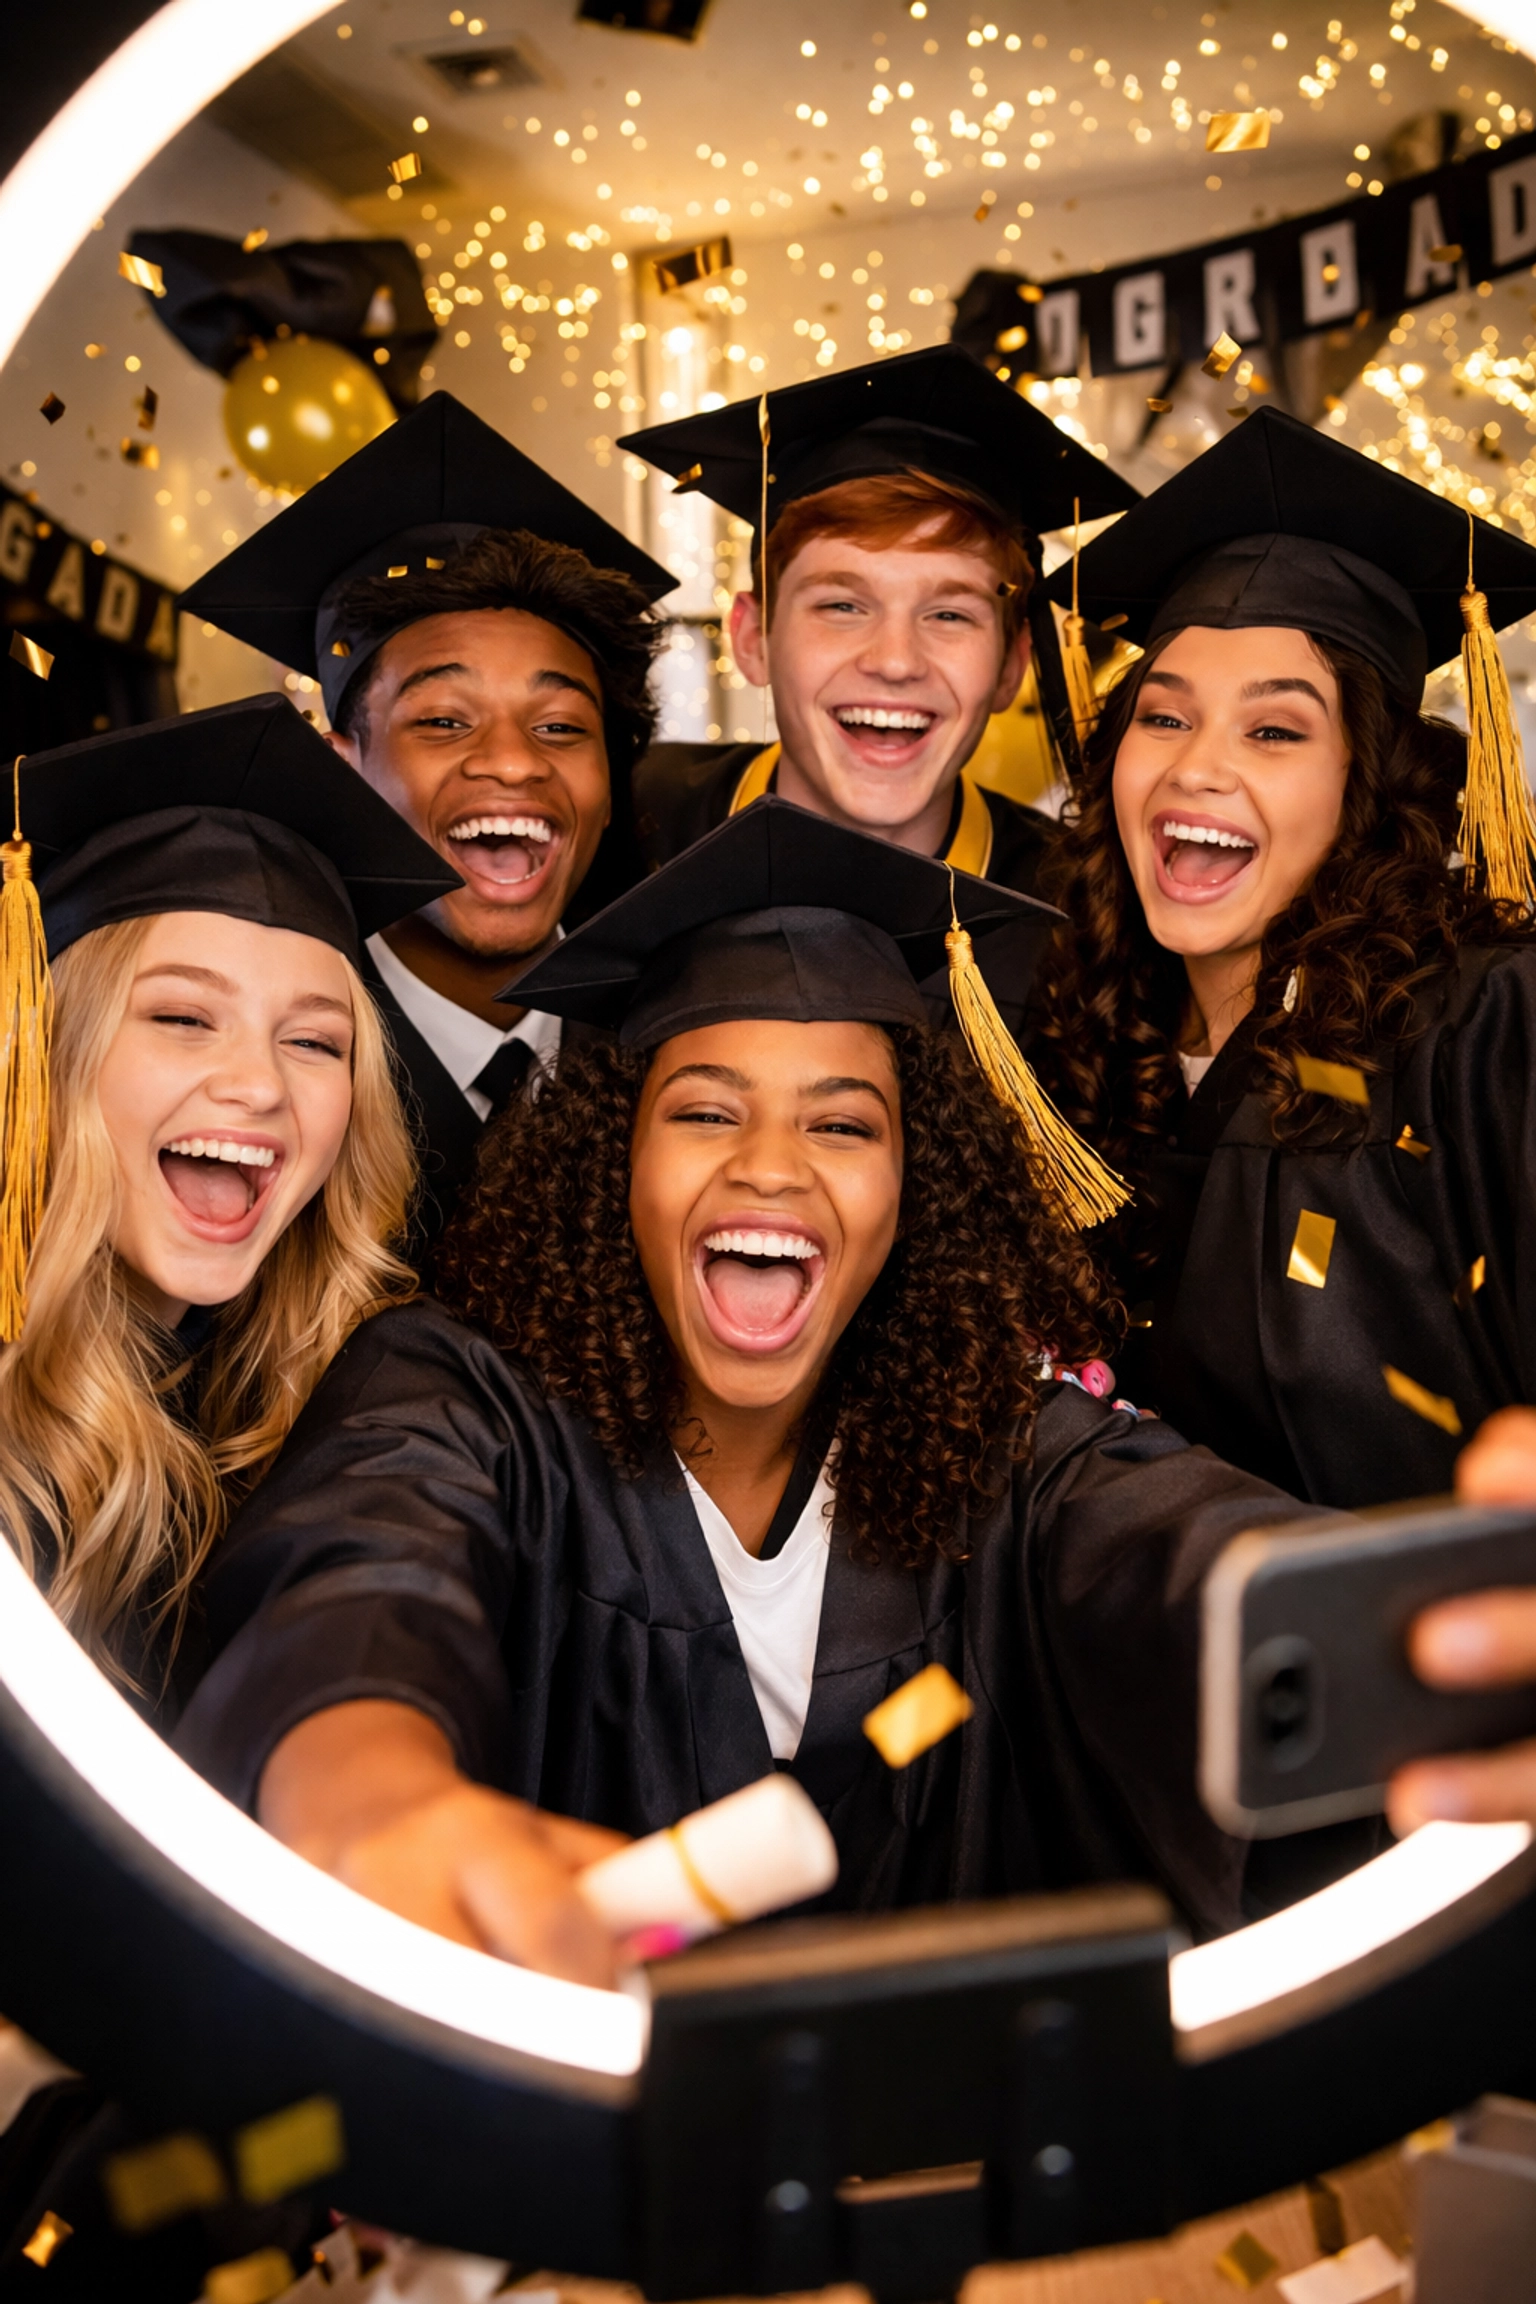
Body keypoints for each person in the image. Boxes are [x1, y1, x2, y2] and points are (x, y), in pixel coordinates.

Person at [176, 797, 1375, 1988]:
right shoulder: (467, 1403)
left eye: (843, 1125)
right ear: (615, 1163)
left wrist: (1408, 1632)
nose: (769, 1165)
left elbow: (1188, 1547)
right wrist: (371, 1797)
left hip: (917, 2149)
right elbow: (363, 1581)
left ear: (916, 1191)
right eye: (704, 1112)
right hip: (557, 2141)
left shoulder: (996, 1446)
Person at [1028, 404, 1536, 1508]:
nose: (1196, 771)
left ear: (1368, 780)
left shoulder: (1486, 1031)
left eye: (1275, 730)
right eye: (1162, 719)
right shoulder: (1081, 1041)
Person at [0, 692, 456, 1711]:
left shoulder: (344, 1414)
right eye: (182, 1016)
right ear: (50, 1050)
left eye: (313, 1041)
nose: (258, 1084)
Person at [182, 393, 671, 1234]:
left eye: (560, 728)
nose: (515, 760)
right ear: (343, 772)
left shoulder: (671, 1050)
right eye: (444, 720)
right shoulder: (259, 1079)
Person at [617, 347, 1140, 1026]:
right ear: (753, 640)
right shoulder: (625, 830)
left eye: (950, 614)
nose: (896, 661)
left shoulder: (1087, 925)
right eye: (843, 606)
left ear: (1013, 664)